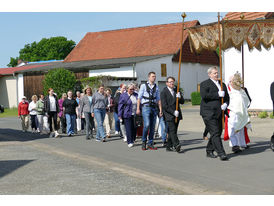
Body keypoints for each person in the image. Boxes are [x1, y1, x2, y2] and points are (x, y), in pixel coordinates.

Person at [200, 66, 229, 161]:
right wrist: (217, 94)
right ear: (209, 74)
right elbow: (204, 96)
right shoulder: (205, 84)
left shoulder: (222, 84)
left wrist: (225, 104)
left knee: (217, 132)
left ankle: (209, 150)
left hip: (220, 112)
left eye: (217, 73)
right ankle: (221, 153)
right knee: (215, 132)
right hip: (208, 112)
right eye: (214, 73)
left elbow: (227, 97)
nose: (217, 74)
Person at [224, 73, 251, 153]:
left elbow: (246, 100)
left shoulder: (241, 90)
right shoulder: (228, 90)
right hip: (232, 112)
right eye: (231, 81)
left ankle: (242, 144)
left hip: (241, 112)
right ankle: (234, 145)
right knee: (233, 129)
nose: (232, 83)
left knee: (241, 128)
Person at [137, 71, 162, 150]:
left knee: (152, 126)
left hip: (154, 107)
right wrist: (138, 108)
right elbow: (139, 98)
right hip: (146, 107)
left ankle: (150, 143)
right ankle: (144, 141)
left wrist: (160, 110)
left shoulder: (156, 86)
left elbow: (158, 99)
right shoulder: (144, 86)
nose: (154, 78)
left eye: (154, 76)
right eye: (152, 76)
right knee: (147, 124)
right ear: (149, 77)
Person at [160, 76, 184, 153]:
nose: (172, 83)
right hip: (169, 115)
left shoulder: (176, 90)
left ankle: (168, 146)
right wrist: (173, 112)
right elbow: (164, 105)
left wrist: (179, 97)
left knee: (172, 131)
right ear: (166, 83)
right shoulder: (164, 92)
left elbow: (182, 102)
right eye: (170, 82)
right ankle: (177, 145)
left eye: (173, 82)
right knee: (172, 130)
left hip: (177, 114)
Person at [118, 83, 138, 148]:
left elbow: (139, 103)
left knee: (134, 128)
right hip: (127, 114)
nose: (132, 90)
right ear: (127, 89)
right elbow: (120, 105)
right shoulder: (123, 95)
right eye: (130, 89)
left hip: (135, 114)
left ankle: (133, 139)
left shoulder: (136, 95)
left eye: (133, 89)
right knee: (128, 128)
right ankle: (129, 141)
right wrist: (120, 114)